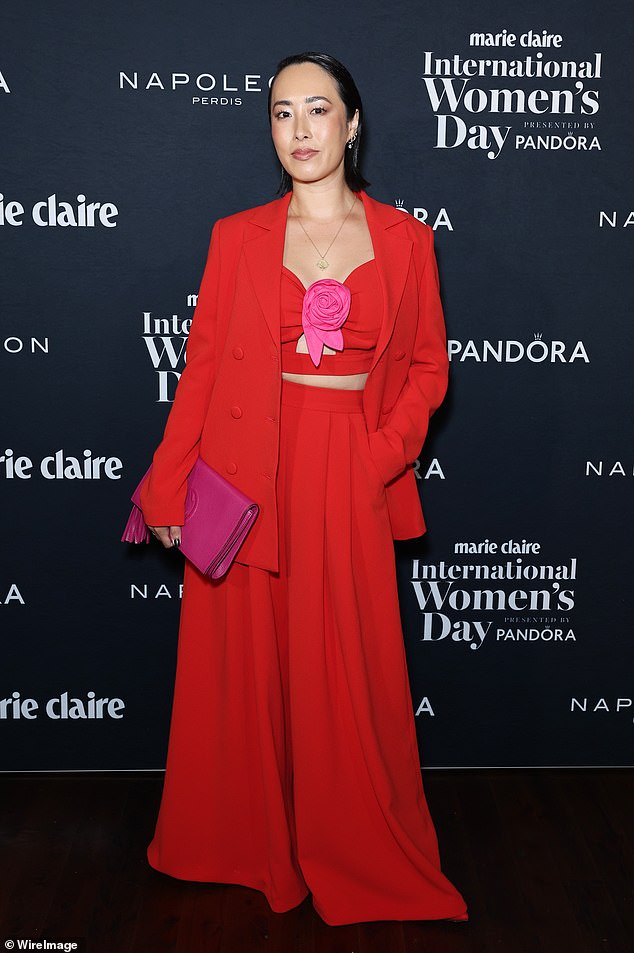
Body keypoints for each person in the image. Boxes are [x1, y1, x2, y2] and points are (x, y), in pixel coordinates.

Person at [138, 50, 468, 926]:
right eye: (283, 114)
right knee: (248, 668)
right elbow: (201, 369)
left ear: (352, 124)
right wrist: (166, 487)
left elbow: (429, 368)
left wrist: (381, 452)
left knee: (346, 671)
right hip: (250, 471)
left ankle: (356, 841)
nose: (300, 131)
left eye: (318, 111)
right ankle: (249, 842)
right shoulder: (235, 236)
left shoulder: (406, 238)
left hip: (349, 471)